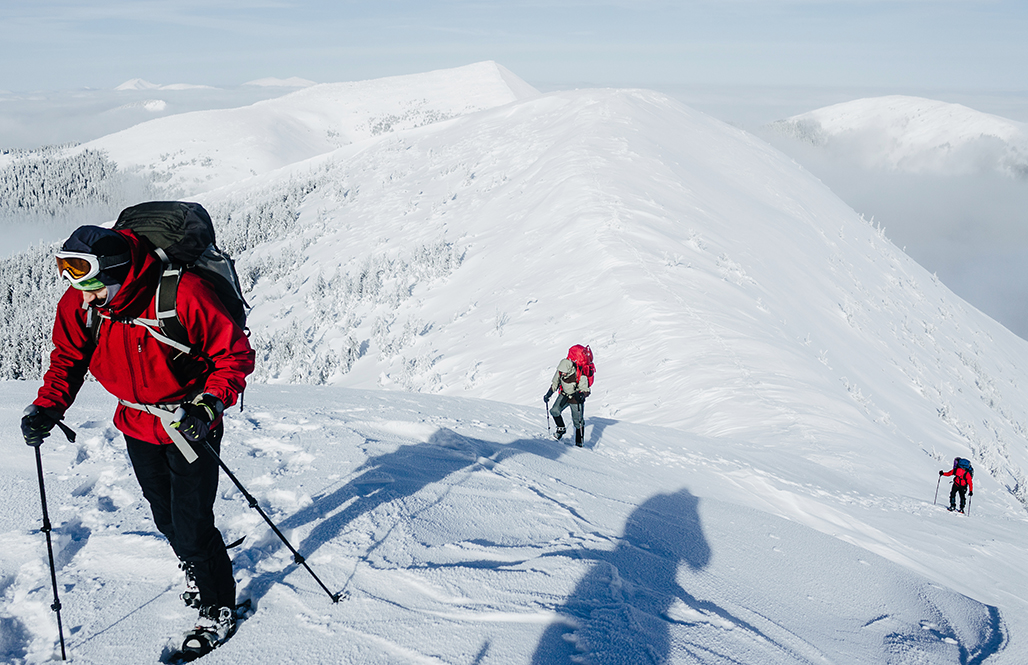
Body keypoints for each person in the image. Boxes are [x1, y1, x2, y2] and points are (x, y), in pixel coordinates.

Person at [21, 225, 255, 652]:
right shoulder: (84, 302)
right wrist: (48, 406)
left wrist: (208, 405)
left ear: (120, 272)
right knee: (165, 516)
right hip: (136, 422)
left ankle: (218, 605)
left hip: (188, 423)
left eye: (92, 286)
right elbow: (68, 358)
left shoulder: (185, 294)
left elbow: (233, 355)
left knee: (191, 523)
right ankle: (196, 566)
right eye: (76, 286)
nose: (84, 297)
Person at [544, 349, 592, 447]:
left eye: (564, 373)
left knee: (578, 421)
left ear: (569, 369)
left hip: (575, 399)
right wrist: (548, 394)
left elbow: (586, 389)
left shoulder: (580, 375)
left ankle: (579, 443)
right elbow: (555, 383)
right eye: (561, 372)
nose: (562, 374)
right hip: (564, 395)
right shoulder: (561, 371)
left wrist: (582, 395)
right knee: (554, 411)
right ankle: (561, 429)